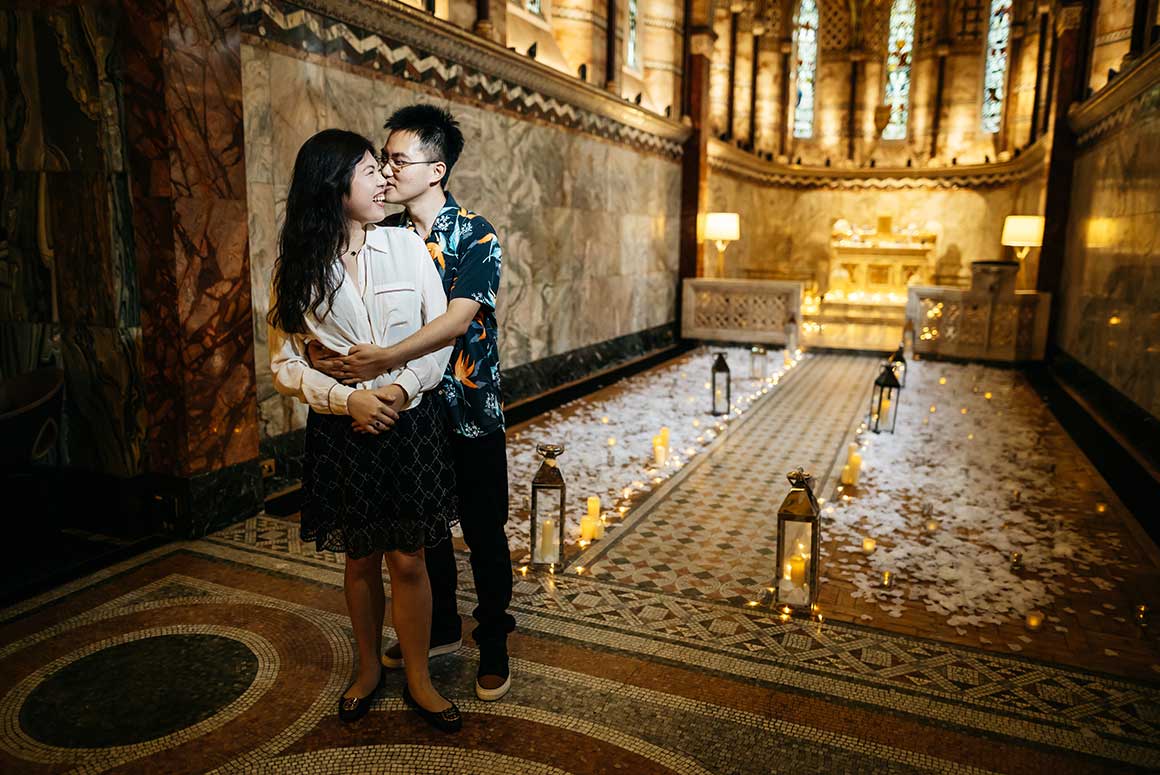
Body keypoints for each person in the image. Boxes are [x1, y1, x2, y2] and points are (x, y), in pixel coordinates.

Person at [310, 106, 515, 701]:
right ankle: (443, 627)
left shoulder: (476, 234)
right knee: (424, 530)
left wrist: (384, 357)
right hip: (409, 411)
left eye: (399, 160)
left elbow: (457, 319)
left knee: (482, 527)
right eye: (384, 158)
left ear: (437, 169)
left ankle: (494, 639)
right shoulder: (385, 235)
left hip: (470, 406)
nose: (388, 169)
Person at [268, 129, 462, 732]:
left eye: (384, 167)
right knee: (359, 558)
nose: (383, 178)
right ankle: (367, 670)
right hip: (344, 431)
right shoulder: (296, 269)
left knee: (410, 559)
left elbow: (440, 336)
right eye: (367, 169)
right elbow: (286, 365)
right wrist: (347, 398)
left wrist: (400, 389)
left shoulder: (406, 248)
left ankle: (422, 680)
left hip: (410, 423)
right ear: (332, 185)